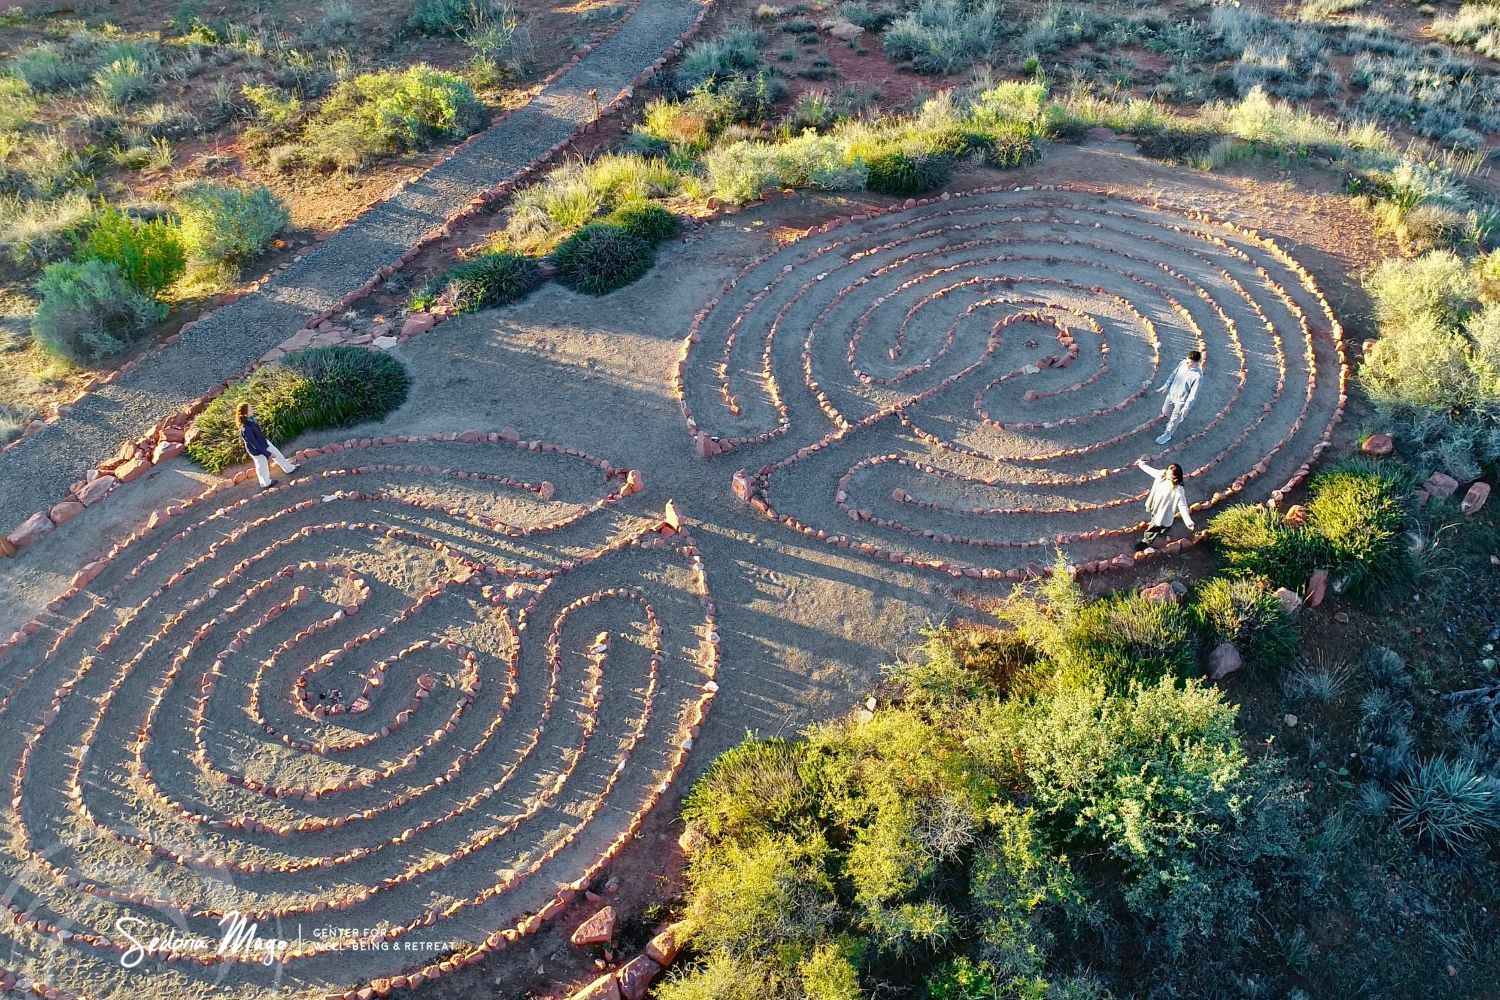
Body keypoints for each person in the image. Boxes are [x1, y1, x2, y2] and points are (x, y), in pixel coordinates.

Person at [1134, 458, 1195, 551]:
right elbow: (1151, 471)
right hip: (1154, 505)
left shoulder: (1178, 489)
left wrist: (1188, 521)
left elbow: (1182, 505)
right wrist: (1142, 464)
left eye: (1171, 474)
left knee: (1154, 526)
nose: (1168, 475)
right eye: (1168, 472)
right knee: (1160, 522)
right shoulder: (1162, 474)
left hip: (1163, 511)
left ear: (1176, 476)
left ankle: (1146, 541)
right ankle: (1164, 529)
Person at [236, 402, 297, 489]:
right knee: (262, 466)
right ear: (245, 413)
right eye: (250, 409)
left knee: (278, 454)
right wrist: (267, 454)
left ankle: (289, 468)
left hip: (264, 442)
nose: (252, 410)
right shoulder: (246, 429)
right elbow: (254, 444)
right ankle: (265, 483)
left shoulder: (252, 420)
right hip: (256, 450)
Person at [1154, 349, 1203, 445]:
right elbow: (1174, 374)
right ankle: (1177, 419)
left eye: (1190, 362)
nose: (1187, 363)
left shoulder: (1198, 376)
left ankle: (1167, 435)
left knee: (1174, 419)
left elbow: (1193, 395)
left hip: (1181, 401)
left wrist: (1186, 408)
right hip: (1171, 394)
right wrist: (1166, 385)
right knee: (1165, 411)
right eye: (1187, 360)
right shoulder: (1182, 363)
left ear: (1196, 362)